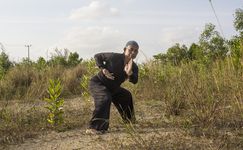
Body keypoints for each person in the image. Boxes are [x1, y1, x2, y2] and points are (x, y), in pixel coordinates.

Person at [86, 40, 139, 134]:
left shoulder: (134, 67)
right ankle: (94, 128)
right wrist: (103, 69)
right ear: (124, 49)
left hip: (113, 88)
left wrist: (129, 73)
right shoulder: (114, 57)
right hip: (98, 83)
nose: (133, 52)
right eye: (131, 49)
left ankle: (129, 122)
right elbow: (98, 56)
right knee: (105, 97)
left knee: (126, 95)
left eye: (136, 51)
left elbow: (135, 81)